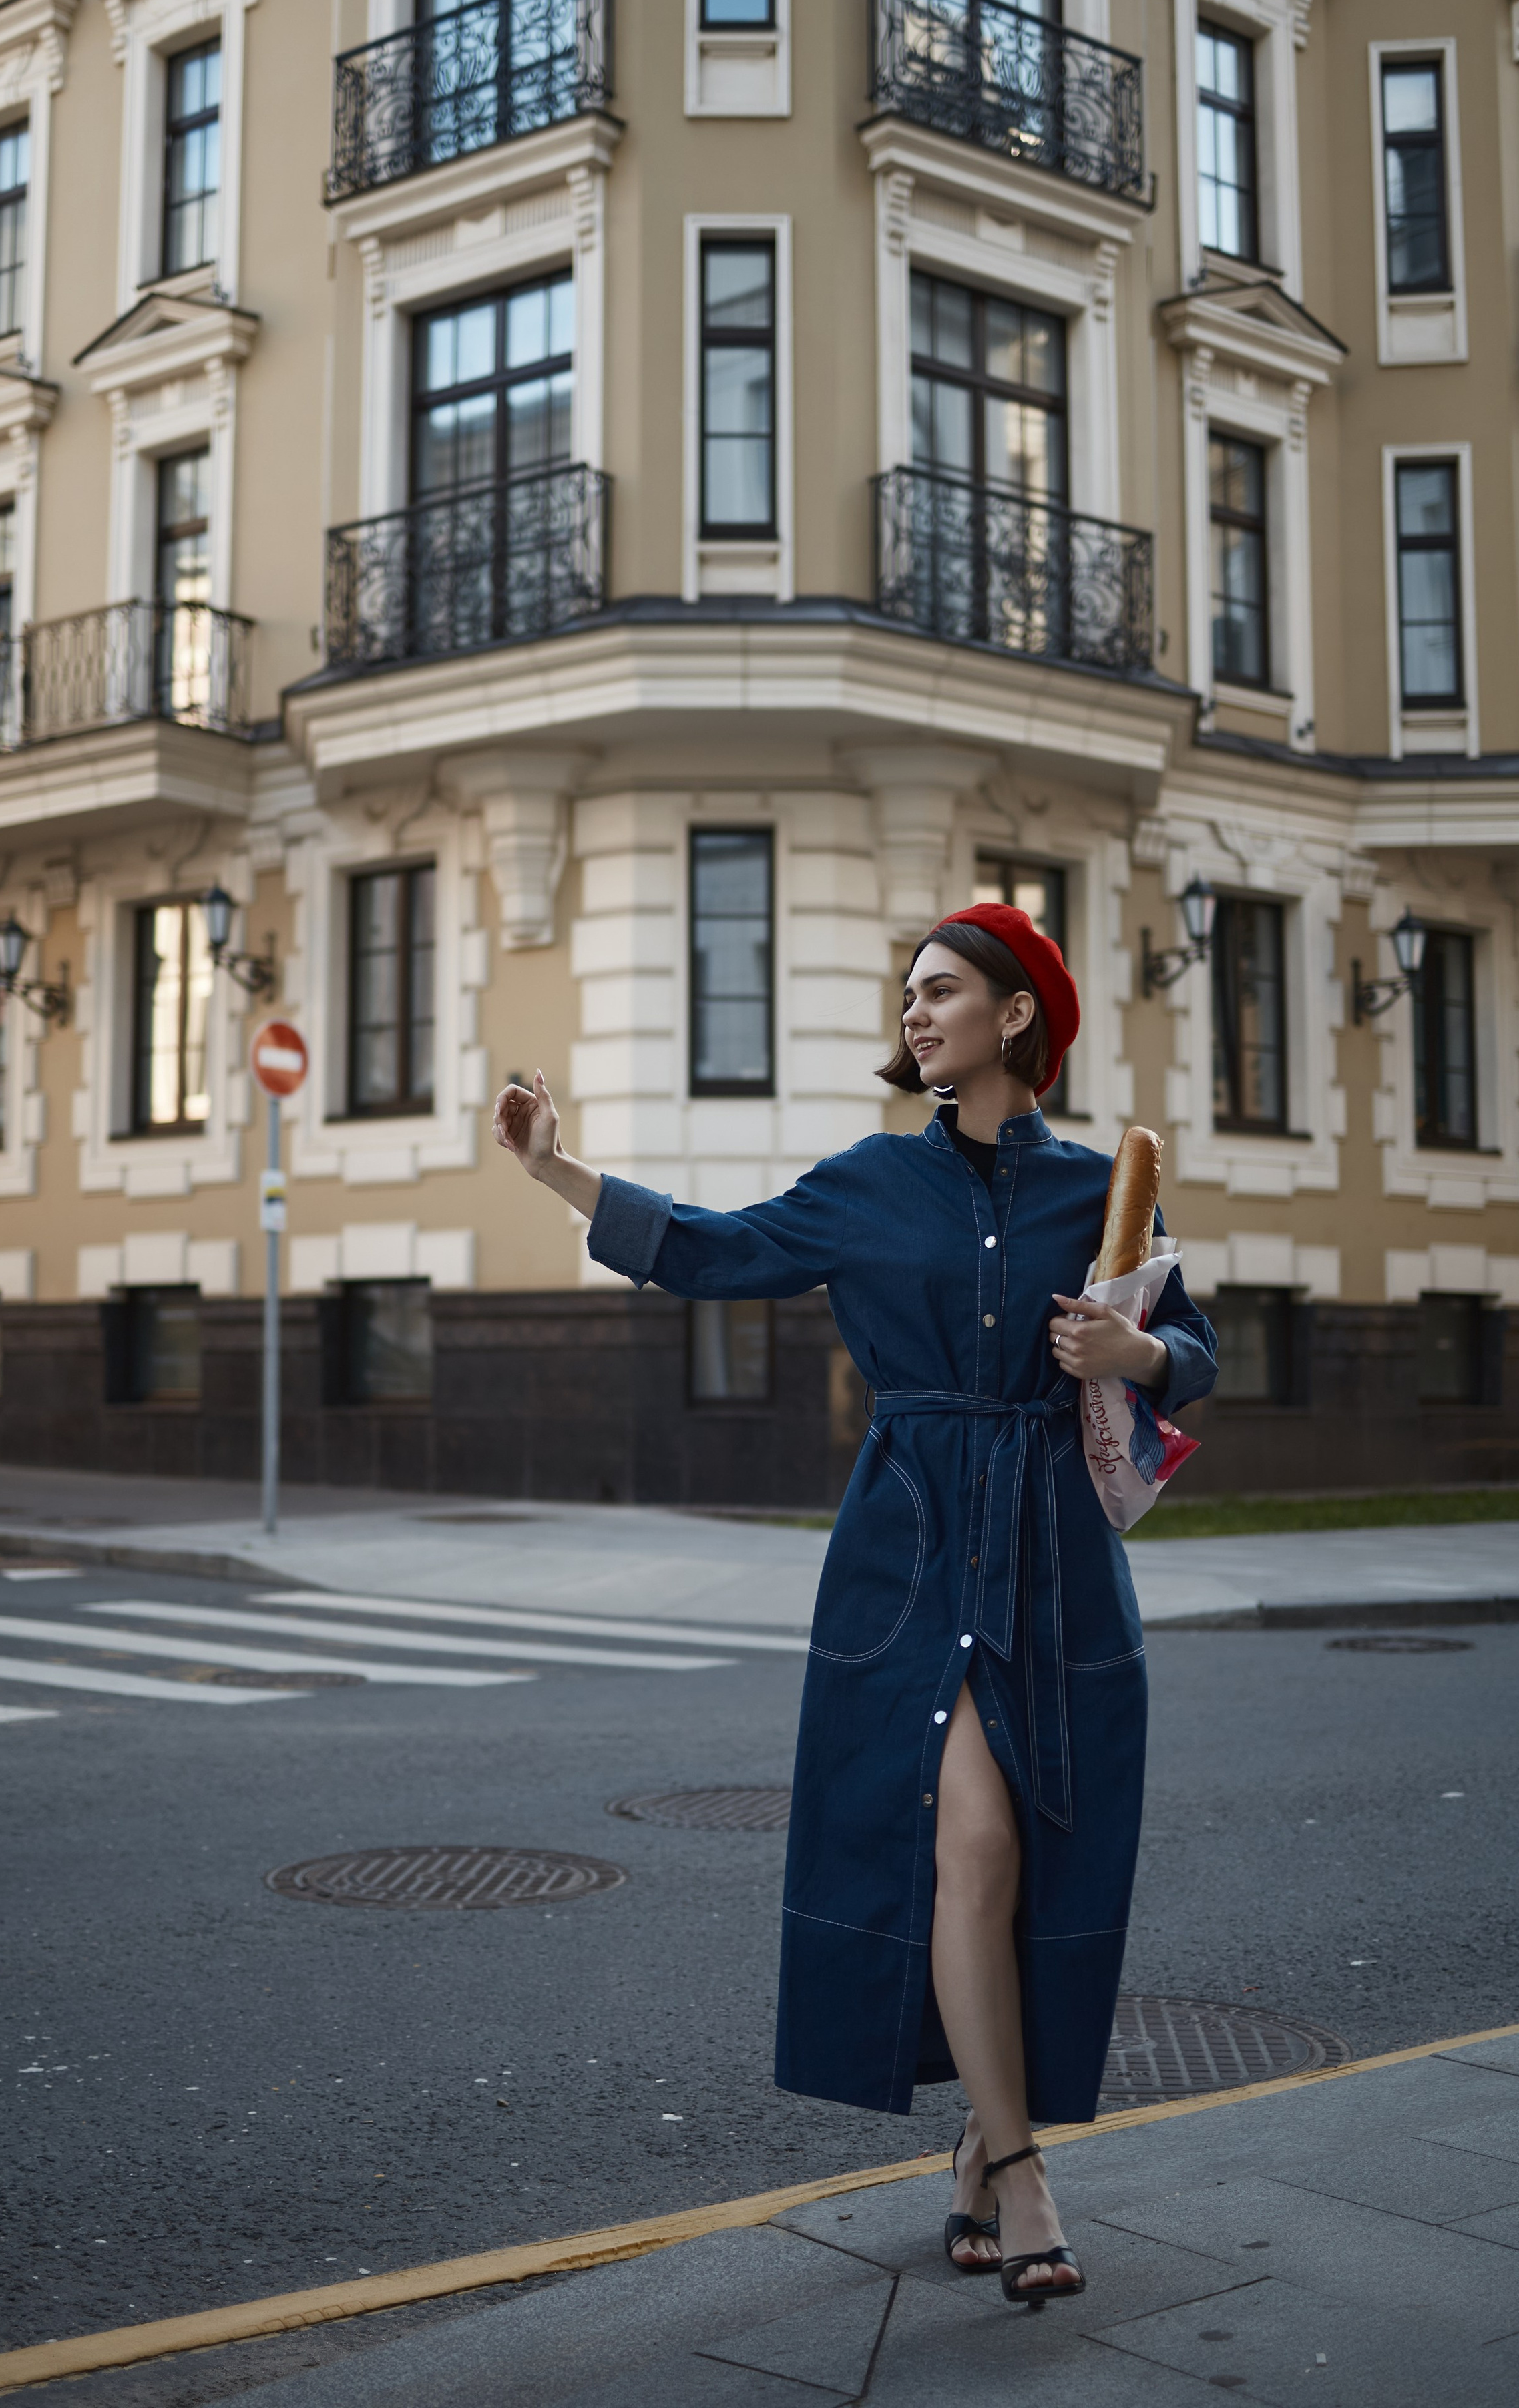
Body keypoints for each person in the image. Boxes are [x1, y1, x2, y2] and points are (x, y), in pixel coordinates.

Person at [493, 900, 1217, 2309]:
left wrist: (1132, 1342)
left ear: (1015, 1015)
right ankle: (1019, 2172)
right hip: (909, 1548)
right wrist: (554, 1170)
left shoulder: (1098, 1191)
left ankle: (974, 2151)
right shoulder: (869, 1182)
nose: (914, 1011)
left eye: (941, 989)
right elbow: (710, 1248)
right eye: (907, 993)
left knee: (1028, 1860)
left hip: (1056, 1555)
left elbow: (1186, 1349)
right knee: (973, 1842)